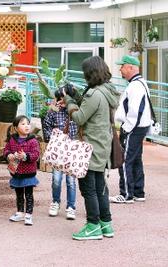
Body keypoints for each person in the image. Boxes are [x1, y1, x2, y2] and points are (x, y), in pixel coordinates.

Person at [63, 56, 120, 240]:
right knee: (100, 187)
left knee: (89, 189)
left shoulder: (94, 94)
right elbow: (92, 109)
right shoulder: (107, 90)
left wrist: (69, 101)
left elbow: (79, 118)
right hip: (103, 145)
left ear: (90, 73)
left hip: (90, 147)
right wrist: (77, 95)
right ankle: (106, 224)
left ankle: (93, 225)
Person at [110, 55, 152, 204]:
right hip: (140, 127)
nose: (120, 69)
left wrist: (127, 128)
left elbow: (135, 111)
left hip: (133, 128)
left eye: (122, 66)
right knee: (136, 159)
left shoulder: (135, 85)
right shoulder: (141, 83)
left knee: (125, 159)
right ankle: (138, 192)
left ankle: (126, 194)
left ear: (130, 68)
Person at [43, 87, 78, 220]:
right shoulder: (53, 112)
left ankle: (71, 206)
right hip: (58, 149)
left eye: (63, 98)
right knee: (56, 179)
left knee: (71, 180)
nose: (60, 101)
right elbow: (46, 125)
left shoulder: (75, 111)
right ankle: (55, 202)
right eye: (59, 98)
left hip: (71, 149)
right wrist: (51, 136)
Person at [3, 115, 40, 226]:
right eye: (23, 124)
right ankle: (20, 212)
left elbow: (36, 155)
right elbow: (6, 150)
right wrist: (9, 155)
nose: (26, 126)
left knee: (28, 194)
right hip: (16, 172)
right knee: (19, 194)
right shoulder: (12, 139)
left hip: (28, 173)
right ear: (15, 127)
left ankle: (28, 214)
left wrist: (25, 156)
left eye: (28, 124)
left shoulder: (33, 140)